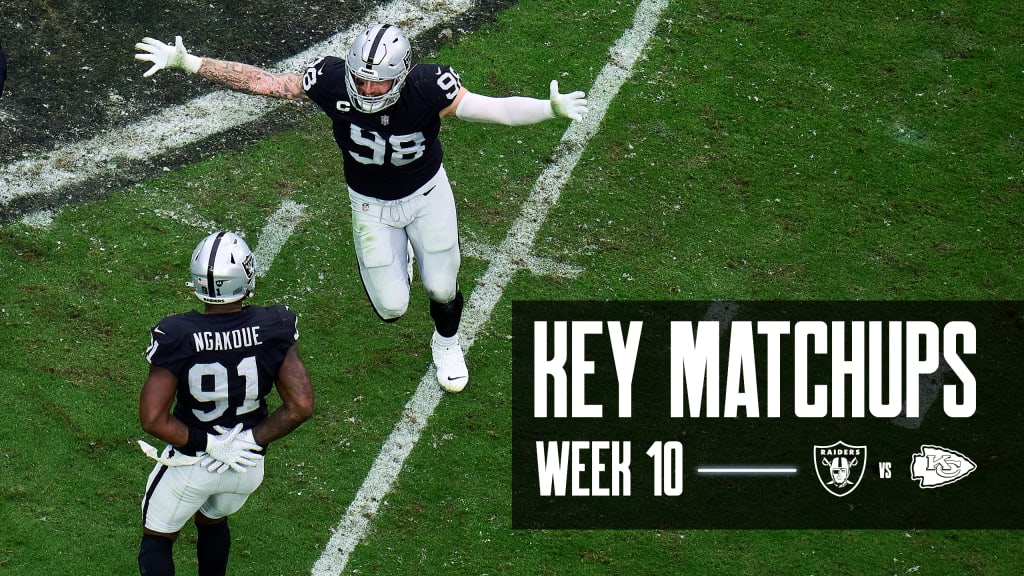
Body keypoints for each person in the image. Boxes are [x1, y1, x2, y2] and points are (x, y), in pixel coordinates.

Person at [135, 24, 588, 393]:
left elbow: (495, 110)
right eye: (363, 79)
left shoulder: (429, 87)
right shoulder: (331, 80)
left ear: (404, 74)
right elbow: (265, 82)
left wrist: (548, 109)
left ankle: (447, 342)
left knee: (442, 287)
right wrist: (189, 62)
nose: (369, 89)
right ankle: (402, 255)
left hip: (428, 195)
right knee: (391, 307)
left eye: (380, 80)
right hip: (370, 204)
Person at [137, 231, 314, 576]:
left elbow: (153, 419)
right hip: (247, 466)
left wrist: (210, 444)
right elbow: (301, 405)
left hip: (193, 462)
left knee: (157, 539)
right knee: (212, 518)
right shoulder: (274, 324)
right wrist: (250, 440)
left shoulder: (177, 333)